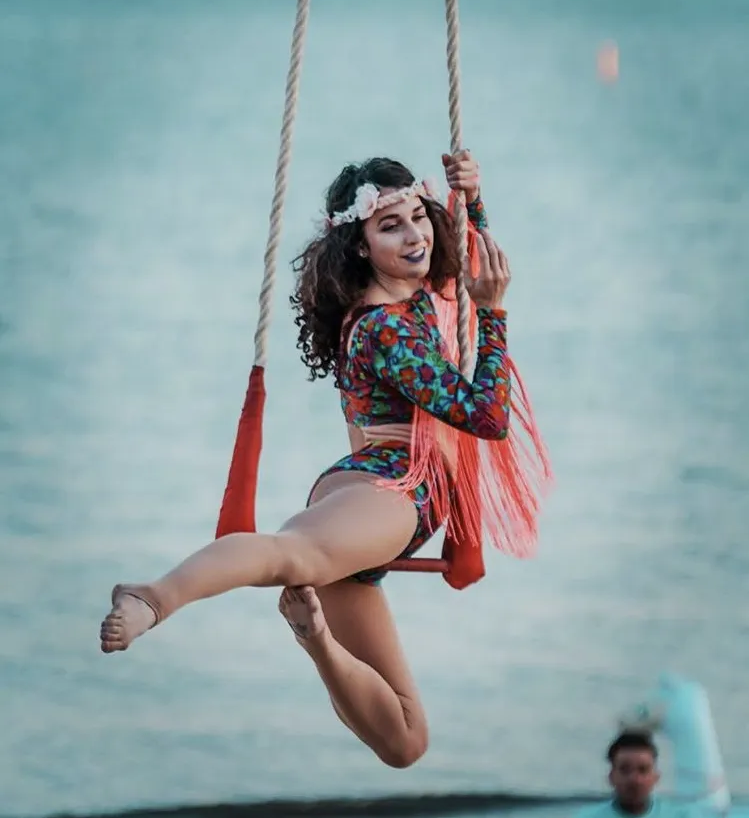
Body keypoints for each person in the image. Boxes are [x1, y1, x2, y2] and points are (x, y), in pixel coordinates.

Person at [99, 150, 531, 769]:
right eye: (391, 226)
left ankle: (317, 638)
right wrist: (492, 317)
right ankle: (154, 596)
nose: (415, 236)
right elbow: (487, 415)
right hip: (392, 489)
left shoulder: (407, 293)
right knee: (288, 554)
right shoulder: (388, 328)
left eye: (419, 217)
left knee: (405, 741)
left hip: (370, 492)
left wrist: (475, 197)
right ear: (359, 245)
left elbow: (464, 263)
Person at [575, 731, 710, 818]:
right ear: (611, 776)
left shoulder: (682, 815)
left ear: (656, 777)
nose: (635, 779)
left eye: (643, 770)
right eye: (625, 770)